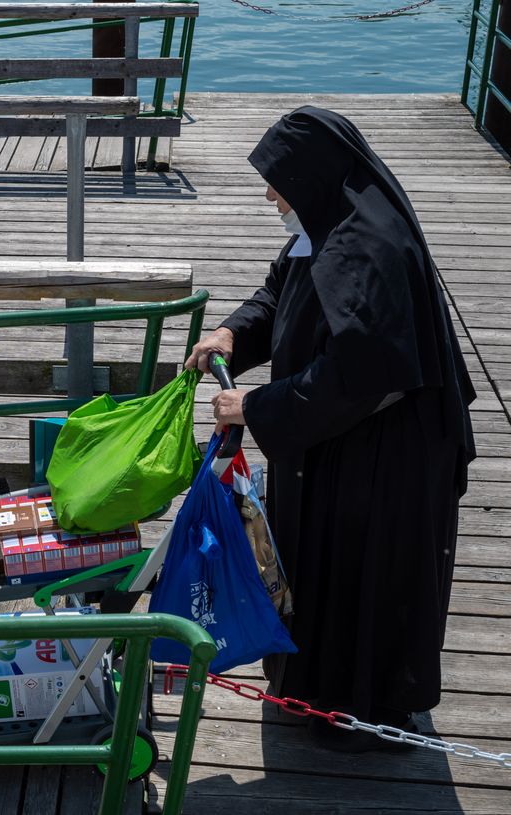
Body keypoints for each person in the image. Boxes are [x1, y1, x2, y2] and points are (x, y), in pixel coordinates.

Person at [184, 106, 476, 751]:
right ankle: (312, 690)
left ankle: (362, 714)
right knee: (320, 566)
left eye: (276, 183)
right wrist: (232, 331)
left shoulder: (366, 248)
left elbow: (367, 376)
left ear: (312, 179)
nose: (269, 196)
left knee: (368, 577)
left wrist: (255, 409)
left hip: (387, 454)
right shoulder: (321, 224)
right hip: (334, 441)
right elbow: (276, 294)